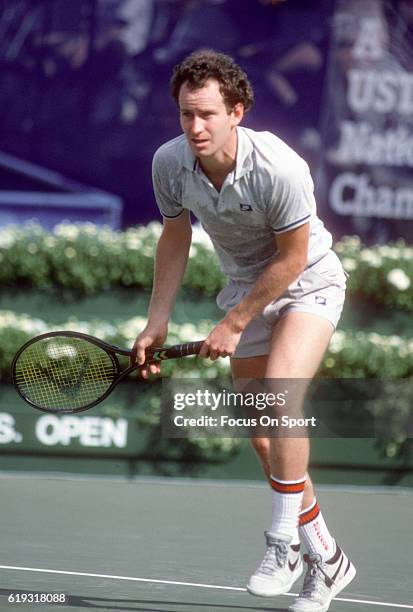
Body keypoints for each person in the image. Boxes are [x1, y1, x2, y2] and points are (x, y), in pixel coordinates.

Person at [132, 49, 356, 612]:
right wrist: (157, 321)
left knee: (282, 397)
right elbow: (175, 237)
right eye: (186, 115)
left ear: (238, 111)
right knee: (263, 439)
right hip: (242, 291)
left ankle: (282, 543)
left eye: (207, 114)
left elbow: (290, 259)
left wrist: (233, 324)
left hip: (308, 284)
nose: (195, 127)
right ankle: (327, 559)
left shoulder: (280, 166)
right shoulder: (169, 162)